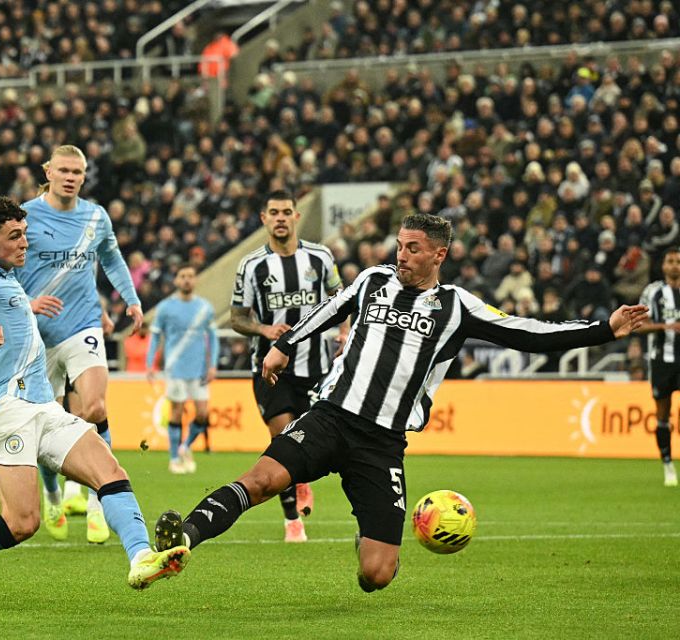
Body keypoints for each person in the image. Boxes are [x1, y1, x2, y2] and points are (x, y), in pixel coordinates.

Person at [154, 213, 647, 592]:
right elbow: (328, 310)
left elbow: (527, 334)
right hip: (330, 417)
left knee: (376, 575)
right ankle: (184, 538)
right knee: (261, 480)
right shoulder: (372, 282)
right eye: (399, 246)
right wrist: (284, 344)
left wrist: (604, 329)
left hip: (381, 444)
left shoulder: (458, 307)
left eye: (413, 249)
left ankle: (368, 531)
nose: (402, 255)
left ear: (439, 255)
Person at [0, 196, 188, 611]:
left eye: (25, 233)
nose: (24, 243)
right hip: (7, 409)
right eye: (14, 236)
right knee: (22, 523)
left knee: (110, 471)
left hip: (45, 408)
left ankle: (140, 558)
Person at [18, 145, 143, 544]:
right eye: (64, 170)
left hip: (83, 324)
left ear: (84, 176)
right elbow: (3, 269)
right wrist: (26, 304)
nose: (71, 177)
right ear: (48, 172)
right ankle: (53, 495)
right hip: (37, 335)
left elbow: (112, 258)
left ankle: (96, 499)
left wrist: (131, 298)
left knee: (94, 407)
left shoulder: (95, 216)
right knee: (47, 425)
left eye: (78, 172)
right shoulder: (25, 217)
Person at [231, 189, 348, 542]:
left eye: (286, 212)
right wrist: (264, 329)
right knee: (281, 439)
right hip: (271, 368)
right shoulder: (252, 265)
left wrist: (345, 335)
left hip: (317, 367)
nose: (280, 218)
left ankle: (302, 481)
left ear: (296, 217)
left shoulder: (321, 258)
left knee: (314, 442)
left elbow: (342, 300)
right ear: (263, 219)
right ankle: (291, 519)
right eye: (273, 212)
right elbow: (238, 317)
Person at [146, 265, 219, 474]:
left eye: (190, 276)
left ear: (195, 280)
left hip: (199, 370)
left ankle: (185, 447)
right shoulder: (165, 308)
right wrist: (150, 364)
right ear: (176, 280)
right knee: (176, 413)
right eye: (182, 276)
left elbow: (213, 338)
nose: (187, 280)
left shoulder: (205, 308)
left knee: (203, 414)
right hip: (175, 368)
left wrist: (212, 364)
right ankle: (174, 458)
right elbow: (155, 337)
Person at [637, 247, 680, 486]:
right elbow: (639, 325)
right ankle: (667, 464)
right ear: (663, 266)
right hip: (662, 361)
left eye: (678, 262)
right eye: (671, 261)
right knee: (662, 414)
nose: (675, 266)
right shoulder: (653, 292)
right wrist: (665, 327)